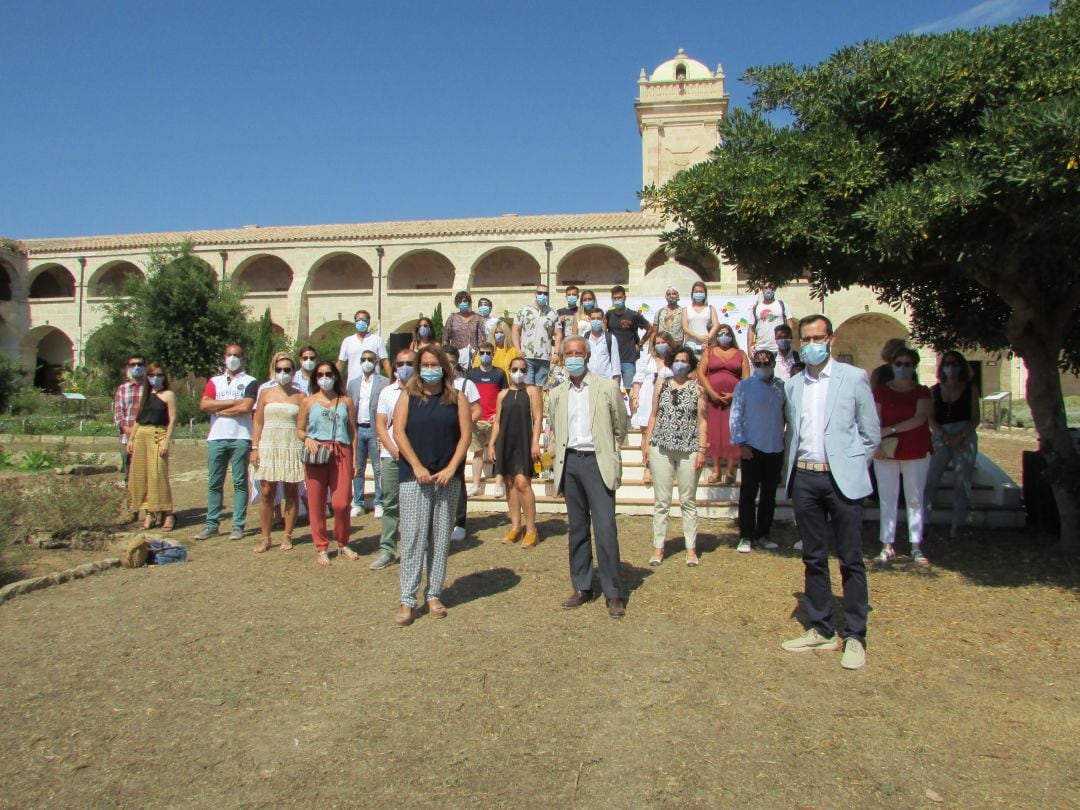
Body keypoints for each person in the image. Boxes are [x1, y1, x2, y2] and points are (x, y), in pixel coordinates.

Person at [780, 314, 879, 671]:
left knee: (851, 558)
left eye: (817, 338)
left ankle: (855, 634)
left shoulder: (853, 379)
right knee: (813, 556)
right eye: (804, 339)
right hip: (806, 478)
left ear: (831, 339)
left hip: (841, 480)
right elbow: (793, 430)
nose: (811, 345)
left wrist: (852, 464)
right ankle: (822, 628)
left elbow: (871, 433)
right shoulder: (792, 385)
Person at [547, 336, 629, 618]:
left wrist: (610, 452)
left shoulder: (606, 387)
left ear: (588, 355)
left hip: (597, 463)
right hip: (570, 463)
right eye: (568, 353)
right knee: (577, 528)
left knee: (605, 528)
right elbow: (554, 426)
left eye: (578, 352)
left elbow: (621, 425)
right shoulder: (557, 392)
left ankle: (613, 591)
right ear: (561, 357)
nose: (573, 357)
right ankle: (582, 586)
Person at [392, 346, 471, 626]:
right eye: (424, 364)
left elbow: (465, 437)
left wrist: (451, 468)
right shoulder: (408, 396)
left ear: (444, 368)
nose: (429, 369)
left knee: (439, 539)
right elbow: (398, 432)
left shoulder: (457, 398)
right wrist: (416, 465)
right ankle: (407, 599)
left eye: (434, 364)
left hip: (446, 478)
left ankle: (434, 593)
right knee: (413, 538)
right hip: (415, 477)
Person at [641, 345, 707, 567]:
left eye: (685, 360)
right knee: (662, 501)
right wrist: (647, 444)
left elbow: (702, 421)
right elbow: (653, 416)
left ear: (691, 364)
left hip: (688, 449)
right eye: (677, 360)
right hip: (661, 447)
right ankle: (658, 547)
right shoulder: (661, 385)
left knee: (688, 500)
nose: (680, 364)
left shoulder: (697, 390)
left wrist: (702, 449)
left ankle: (691, 549)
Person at [872, 347, 934, 565]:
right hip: (887, 451)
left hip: (915, 449)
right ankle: (886, 544)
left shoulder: (922, 391)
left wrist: (889, 430)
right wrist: (876, 444)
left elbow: (919, 418)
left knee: (914, 498)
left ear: (914, 366)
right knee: (887, 498)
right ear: (892, 366)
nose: (903, 368)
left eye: (908, 364)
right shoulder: (880, 391)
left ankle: (916, 545)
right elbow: (875, 419)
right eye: (899, 363)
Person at [297, 362, 360, 566]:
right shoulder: (308, 402)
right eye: (321, 374)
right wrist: (306, 439)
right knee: (316, 502)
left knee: (341, 503)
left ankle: (342, 542)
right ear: (315, 378)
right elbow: (299, 429)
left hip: (341, 452)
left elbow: (352, 431)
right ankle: (321, 546)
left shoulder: (346, 401)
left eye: (329, 374)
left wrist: (355, 458)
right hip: (316, 452)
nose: (325, 377)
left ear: (335, 376)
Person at [196, 344, 259, 541]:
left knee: (240, 482)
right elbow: (204, 404)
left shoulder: (250, 381)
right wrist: (233, 403)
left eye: (237, 355)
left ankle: (238, 525)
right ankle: (211, 524)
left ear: (243, 358)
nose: (233, 358)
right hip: (217, 437)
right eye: (230, 355)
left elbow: (247, 406)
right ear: (224, 357)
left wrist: (219, 410)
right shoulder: (215, 381)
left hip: (241, 436)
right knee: (215, 482)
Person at [730, 349, 786, 552]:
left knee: (769, 494)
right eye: (759, 363)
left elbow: (785, 414)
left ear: (773, 362)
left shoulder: (781, 387)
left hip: (775, 446)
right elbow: (735, 415)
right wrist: (742, 444)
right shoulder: (744, 386)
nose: (764, 366)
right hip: (752, 448)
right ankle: (745, 535)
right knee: (748, 493)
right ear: (754, 364)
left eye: (767, 362)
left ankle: (764, 533)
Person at [250, 352, 305, 553]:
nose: (283, 373)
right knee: (266, 491)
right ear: (274, 370)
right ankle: (265, 537)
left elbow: (305, 423)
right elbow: (257, 421)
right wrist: (254, 447)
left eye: (287, 370)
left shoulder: (301, 396)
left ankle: (288, 535)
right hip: (269, 444)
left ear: (293, 372)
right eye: (279, 369)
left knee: (291, 491)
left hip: (291, 444)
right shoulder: (265, 393)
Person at [924, 351, 981, 538]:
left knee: (962, 481)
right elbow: (930, 417)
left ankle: (958, 524)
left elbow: (975, 418)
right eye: (947, 363)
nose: (951, 367)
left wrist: (961, 437)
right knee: (931, 478)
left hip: (965, 435)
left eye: (955, 363)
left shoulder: (970, 388)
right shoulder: (935, 390)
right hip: (941, 435)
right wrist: (944, 436)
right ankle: (924, 521)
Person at [488, 356, 542, 547]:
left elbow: (538, 418)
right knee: (510, 483)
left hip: (524, 441)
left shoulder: (532, 391)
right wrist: (492, 444)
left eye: (522, 369)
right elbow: (497, 422)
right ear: (509, 370)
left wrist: (535, 442)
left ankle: (531, 529)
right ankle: (515, 526)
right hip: (505, 441)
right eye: (515, 368)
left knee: (522, 482)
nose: (518, 372)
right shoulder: (502, 394)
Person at [371, 348, 416, 570]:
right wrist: (393, 449)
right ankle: (387, 549)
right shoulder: (387, 392)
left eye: (409, 363)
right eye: (400, 363)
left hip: (417, 457)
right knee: (390, 503)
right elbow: (380, 425)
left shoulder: (424, 392)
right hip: (391, 455)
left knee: (417, 504)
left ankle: (416, 548)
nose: (404, 367)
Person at [128, 362, 177, 531]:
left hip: (158, 434)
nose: (156, 378)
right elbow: (138, 418)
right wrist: (131, 438)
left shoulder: (168, 395)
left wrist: (167, 441)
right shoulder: (146, 394)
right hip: (142, 434)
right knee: (142, 475)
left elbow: (172, 420)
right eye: (152, 375)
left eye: (159, 375)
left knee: (158, 474)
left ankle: (167, 513)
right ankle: (149, 512)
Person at [699, 323, 750, 485]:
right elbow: (701, 373)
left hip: (734, 400)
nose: (723, 336)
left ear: (732, 336)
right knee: (714, 431)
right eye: (720, 333)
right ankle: (715, 470)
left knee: (730, 432)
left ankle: (730, 469)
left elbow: (746, 379)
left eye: (727, 333)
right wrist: (712, 393)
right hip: (713, 399)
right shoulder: (709, 352)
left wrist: (734, 395)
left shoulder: (741, 354)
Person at [445, 346, 481, 541]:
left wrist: (465, 425)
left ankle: (460, 522)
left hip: (457, 439)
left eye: (452, 361)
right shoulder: (431, 384)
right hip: (437, 439)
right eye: (445, 360)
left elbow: (477, 409)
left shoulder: (465, 384)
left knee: (457, 479)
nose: (448, 365)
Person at [346, 348, 388, 519]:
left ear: (376, 362)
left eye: (370, 359)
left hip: (374, 428)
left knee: (378, 468)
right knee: (358, 467)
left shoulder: (384, 382)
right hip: (357, 428)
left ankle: (379, 502)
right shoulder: (353, 383)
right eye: (363, 359)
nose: (366, 362)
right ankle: (358, 502)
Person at [465, 342, 508, 497]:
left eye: (488, 353)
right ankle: (475, 485)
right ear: (478, 354)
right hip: (476, 421)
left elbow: (505, 396)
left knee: (496, 451)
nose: (485, 356)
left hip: (493, 421)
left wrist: (498, 414)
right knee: (477, 453)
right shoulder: (471, 374)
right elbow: (466, 397)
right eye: (482, 352)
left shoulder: (500, 374)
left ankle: (498, 484)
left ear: (493, 354)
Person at [605, 284, 653, 391]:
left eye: (619, 298)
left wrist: (640, 343)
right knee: (612, 390)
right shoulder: (609, 314)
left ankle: (632, 408)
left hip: (628, 358)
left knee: (630, 390)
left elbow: (650, 328)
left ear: (625, 298)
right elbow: (604, 332)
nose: (617, 300)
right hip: (612, 359)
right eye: (615, 298)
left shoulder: (633, 315)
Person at [512, 283, 558, 391]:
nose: (542, 295)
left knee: (540, 389)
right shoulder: (524, 311)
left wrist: (556, 353)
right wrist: (518, 349)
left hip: (544, 357)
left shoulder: (553, 313)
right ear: (535, 294)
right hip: (527, 356)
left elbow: (558, 333)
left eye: (545, 293)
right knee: (527, 388)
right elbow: (515, 329)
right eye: (540, 293)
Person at [112, 354, 145, 486]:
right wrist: (127, 430)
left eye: (140, 365)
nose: (136, 367)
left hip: (145, 435)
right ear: (128, 367)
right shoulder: (122, 389)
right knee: (129, 472)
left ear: (145, 367)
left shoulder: (150, 389)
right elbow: (118, 413)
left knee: (145, 472)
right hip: (126, 437)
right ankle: (132, 503)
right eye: (133, 365)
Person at [630, 332, 674, 430]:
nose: (660, 345)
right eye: (657, 343)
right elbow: (638, 378)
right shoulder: (647, 359)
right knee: (645, 432)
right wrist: (636, 397)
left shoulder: (674, 360)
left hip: (667, 397)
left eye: (663, 342)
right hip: (647, 396)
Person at [337, 308, 390, 385]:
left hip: (374, 383)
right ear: (355, 322)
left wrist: (392, 381)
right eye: (358, 320)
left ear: (368, 322)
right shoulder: (347, 341)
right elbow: (340, 363)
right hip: (353, 384)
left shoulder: (377, 340)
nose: (360, 322)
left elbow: (385, 362)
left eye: (364, 320)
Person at [442, 290, 486, 370]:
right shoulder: (452, 318)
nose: (463, 303)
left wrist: (480, 353)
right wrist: (448, 355)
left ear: (469, 302)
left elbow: (482, 338)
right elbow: (445, 338)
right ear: (457, 304)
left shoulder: (477, 318)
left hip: (474, 357)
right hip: (457, 357)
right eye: (460, 301)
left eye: (465, 301)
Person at [748, 283, 791, 355]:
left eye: (771, 287)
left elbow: (790, 324)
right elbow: (751, 329)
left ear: (774, 289)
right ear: (762, 289)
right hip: (761, 349)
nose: (768, 290)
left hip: (780, 349)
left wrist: (788, 342)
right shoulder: (756, 307)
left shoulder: (782, 305)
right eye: (765, 287)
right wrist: (749, 347)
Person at [681, 281, 718, 357]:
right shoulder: (686, 309)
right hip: (691, 345)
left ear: (705, 294)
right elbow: (685, 328)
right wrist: (698, 336)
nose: (698, 293)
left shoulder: (710, 308)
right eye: (696, 292)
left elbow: (716, 324)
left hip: (706, 344)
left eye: (701, 292)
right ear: (692, 294)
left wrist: (708, 337)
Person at [585, 306, 622, 382]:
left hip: (606, 382)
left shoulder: (610, 338)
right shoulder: (584, 337)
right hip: (588, 381)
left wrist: (616, 386)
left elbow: (616, 366)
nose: (596, 321)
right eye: (593, 318)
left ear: (603, 320)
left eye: (598, 319)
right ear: (589, 320)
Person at [553, 284, 580, 362]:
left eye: (574, 294)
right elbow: (555, 332)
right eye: (569, 295)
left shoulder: (580, 311)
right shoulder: (559, 312)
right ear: (566, 297)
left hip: (576, 345)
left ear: (578, 297)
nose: (571, 296)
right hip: (562, 345)